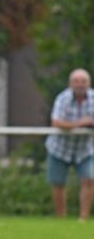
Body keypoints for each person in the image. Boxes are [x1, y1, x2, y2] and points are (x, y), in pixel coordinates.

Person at [45, 68, 94, 220]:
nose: (80, 84)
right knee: (58, 183)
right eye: (76, 81)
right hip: (60, 148)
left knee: (89, 180)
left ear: (89, 83)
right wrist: (80, 123)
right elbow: (56, 122)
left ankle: (83, 218)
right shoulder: (62, 98)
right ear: (70, 83)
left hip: (85, 149)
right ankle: (61, 218)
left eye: (83, 81)